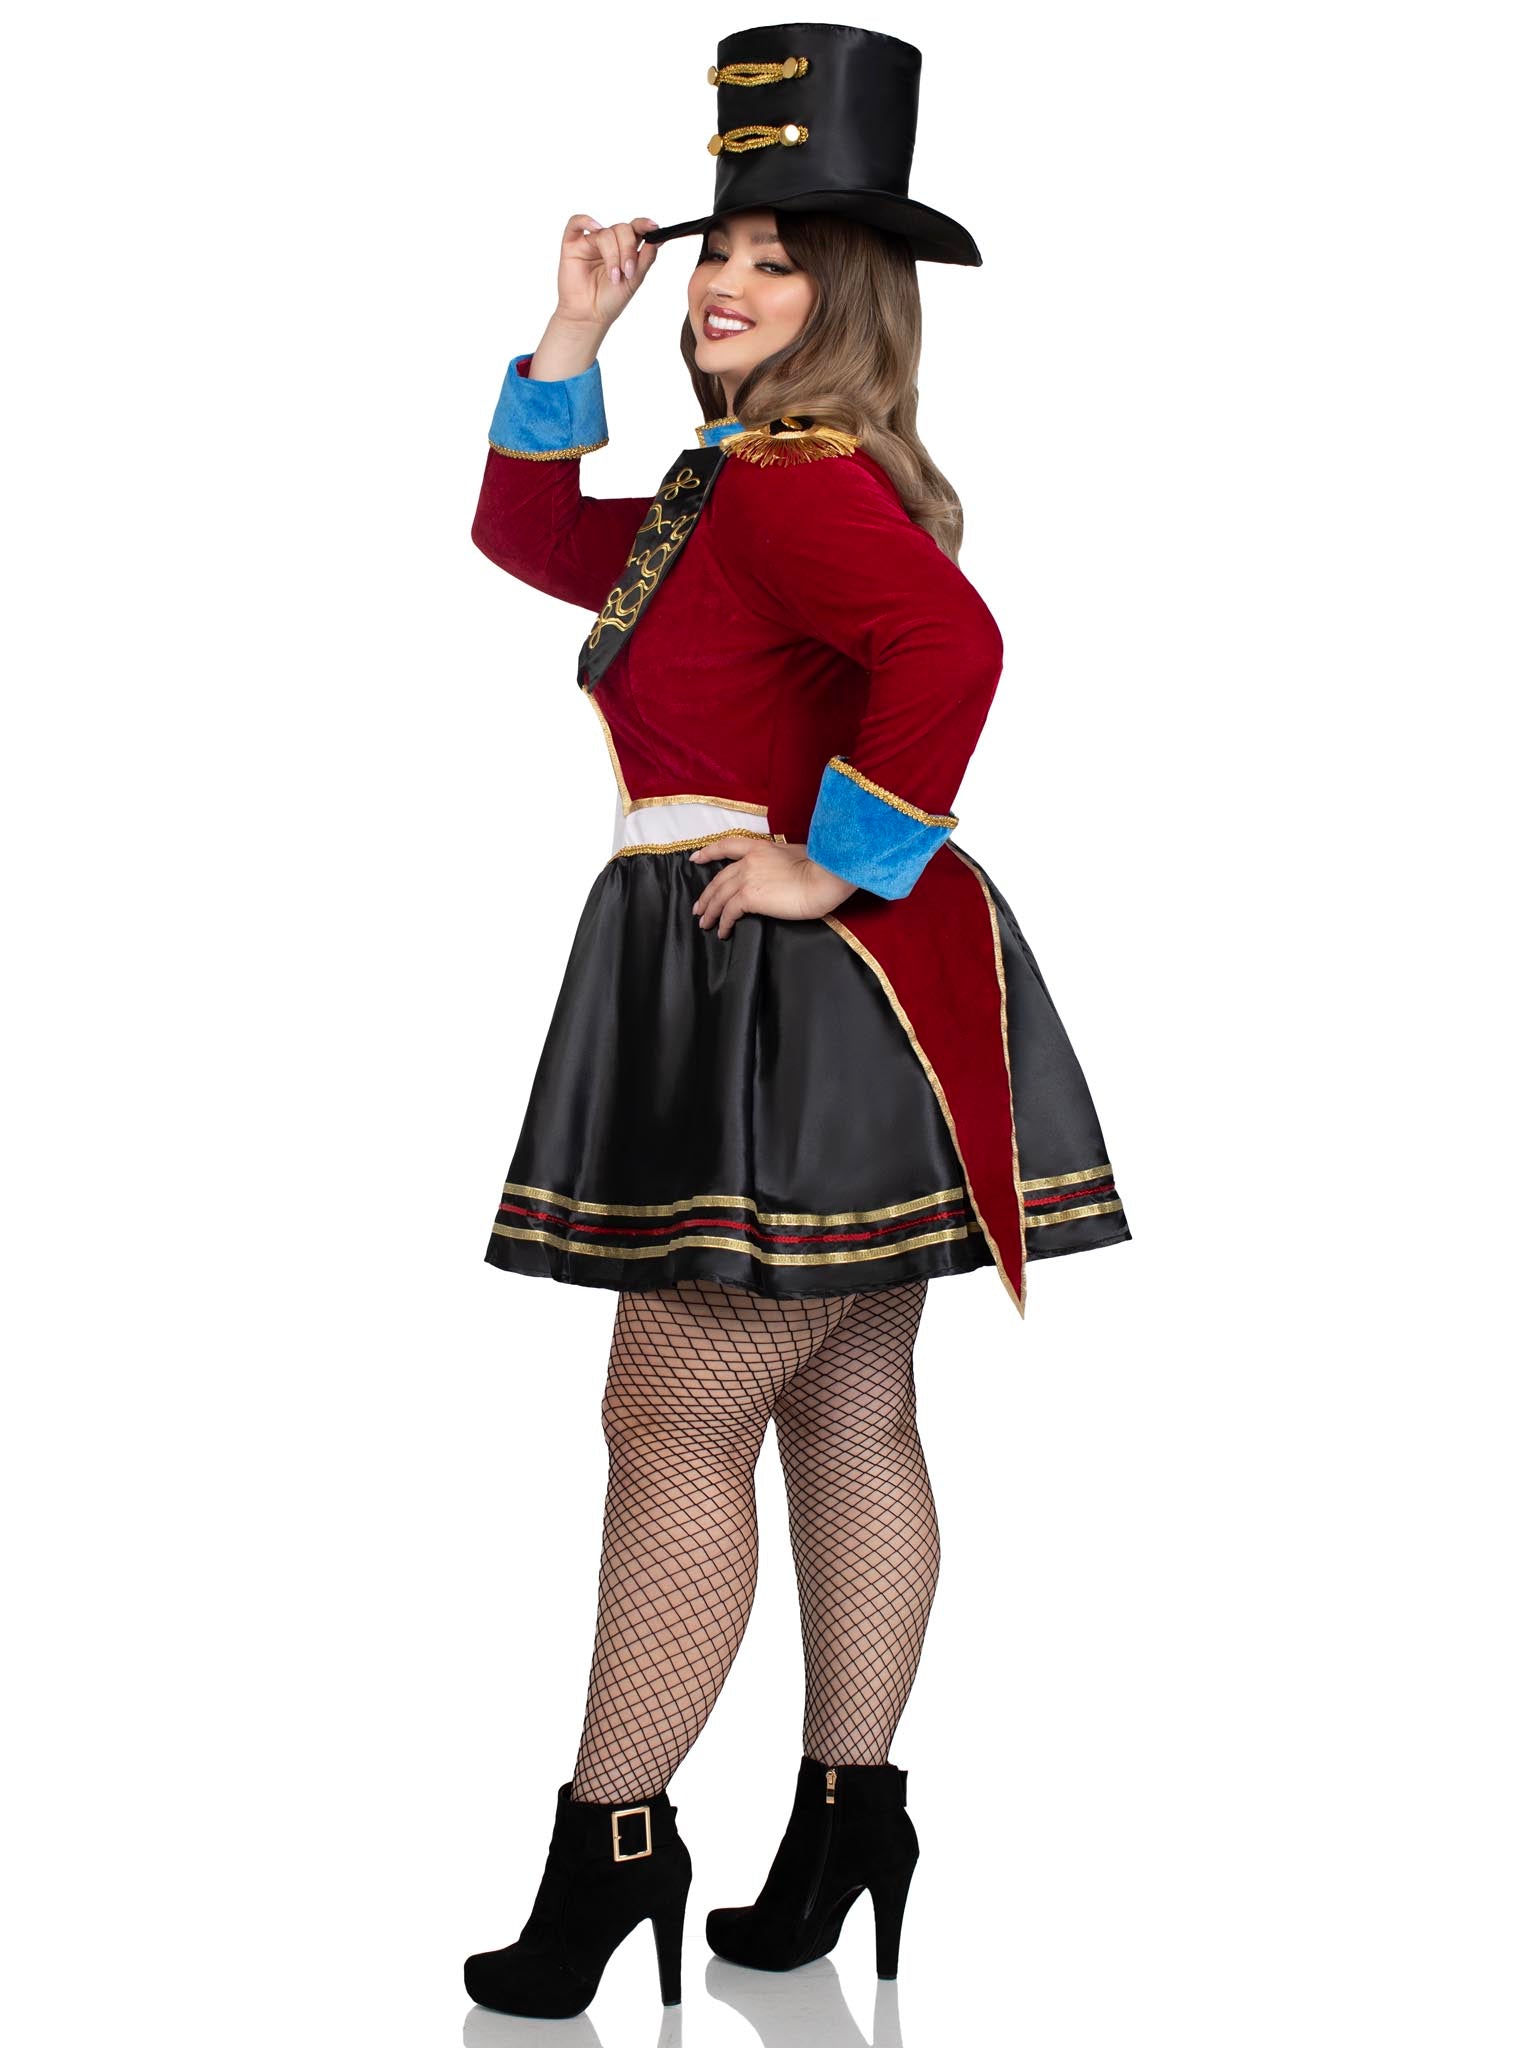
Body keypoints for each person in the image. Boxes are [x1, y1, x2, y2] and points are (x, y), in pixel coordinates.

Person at [460, 24, 1131, 2022]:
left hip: (793, 983)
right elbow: (532, 540)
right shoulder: (722, 487)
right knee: (850, 1404)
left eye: (777, 256)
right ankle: (851, 1822)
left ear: (854, 301)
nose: (728, 283)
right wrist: (571, 332)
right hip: (816, 993)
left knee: (673, 1413)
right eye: (719, 252)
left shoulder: (792, 482)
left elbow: (954, 644)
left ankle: (613, 1850)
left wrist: (834, 862)